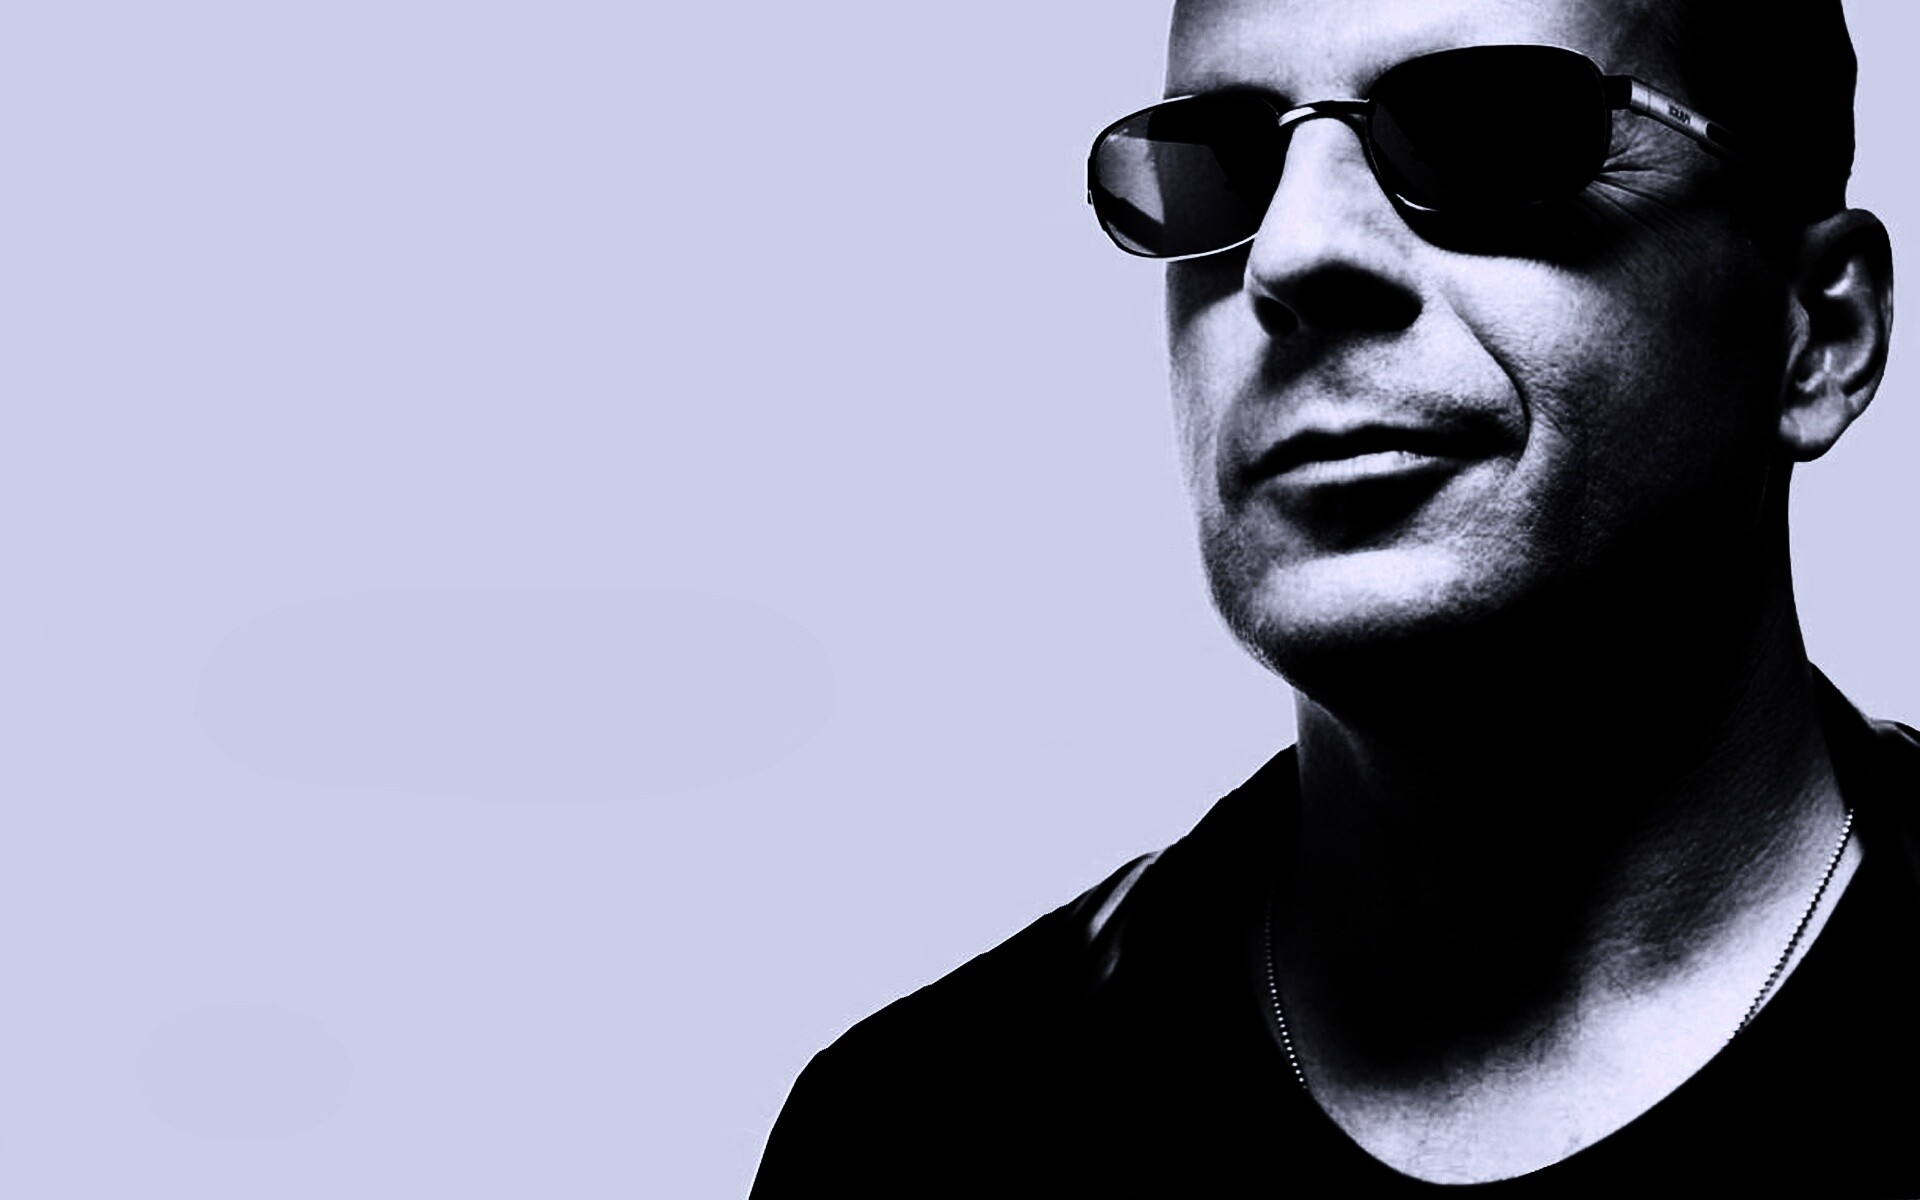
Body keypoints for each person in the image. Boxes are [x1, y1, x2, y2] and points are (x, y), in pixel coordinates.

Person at [753, 0, 1917, 1192]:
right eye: (1219, 170)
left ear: (1819, 331)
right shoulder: (913, 1142)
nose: (1293, 252)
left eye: (1489, 138)